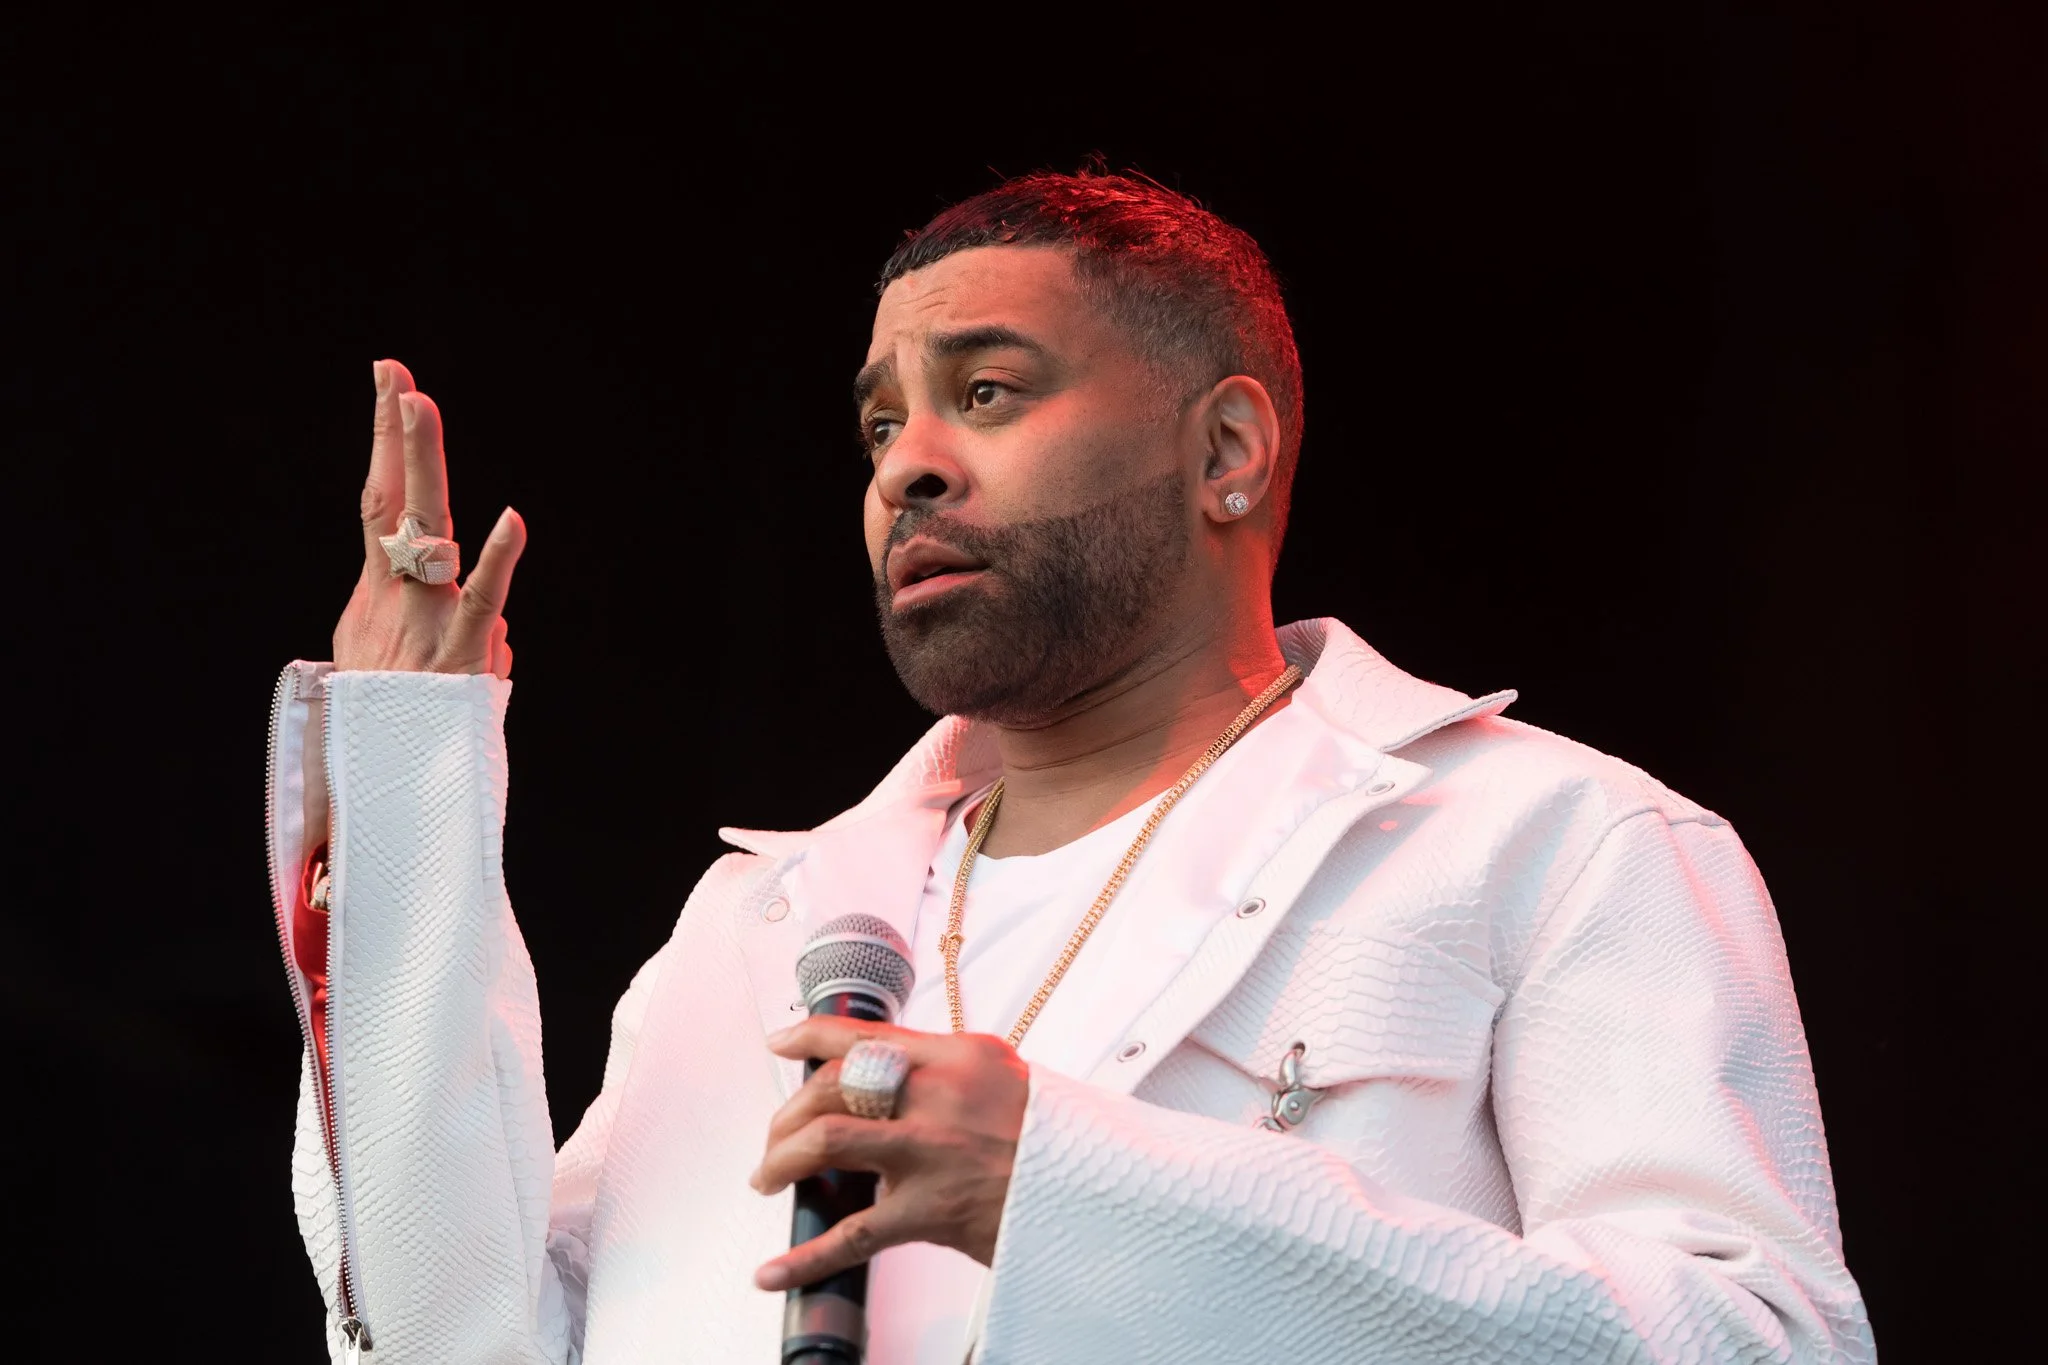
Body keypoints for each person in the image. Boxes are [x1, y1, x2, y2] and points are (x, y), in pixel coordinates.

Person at [264, 171, 1874, 1364]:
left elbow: (1761, 1345)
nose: (907, 468)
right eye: (879, 425)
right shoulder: (757, 928)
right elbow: (455, 1336)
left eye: (986, 393)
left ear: (1225, 451)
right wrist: (408, 794)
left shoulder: (1550, 842)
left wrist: (1071, 1190)